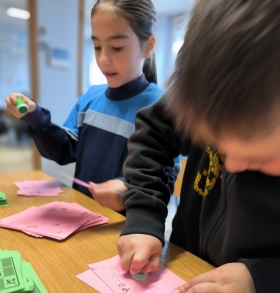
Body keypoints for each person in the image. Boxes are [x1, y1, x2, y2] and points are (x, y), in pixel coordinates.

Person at [117, 0, 280, 292]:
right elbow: (154, 131)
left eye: (258, 158)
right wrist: (143, 217)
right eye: (215, 144)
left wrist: (262, 277)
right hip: (187, 262)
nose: (231, 165)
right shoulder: (204, 89)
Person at [5, 0, 178, 211]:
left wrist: (128, 191)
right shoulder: (90, 98)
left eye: (117, 47)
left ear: (148, 46)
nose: (104, 59)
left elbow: (164, 182)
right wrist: (35, 116)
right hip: (82, 218)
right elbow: (64, 150)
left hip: (127, 231)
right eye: (97, 47)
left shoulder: (162, 108)